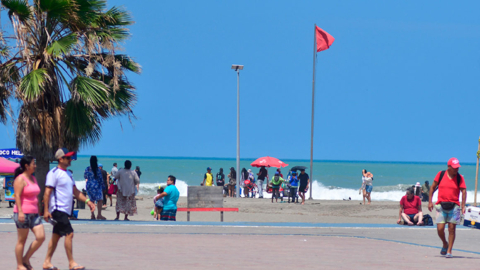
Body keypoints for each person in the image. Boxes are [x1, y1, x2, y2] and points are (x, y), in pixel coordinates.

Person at [43, 148, 95, 270]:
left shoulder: (68, 174)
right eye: (68, 157)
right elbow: (47, 192)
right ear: (60, 159)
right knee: (69, 233)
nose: (70, 159)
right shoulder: (53, 173)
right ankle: (71, 263)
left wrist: (88, 201)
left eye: (70, 157)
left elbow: (76, 192)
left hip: (65, 210)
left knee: (56, 236)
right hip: (57, 209)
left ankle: (46, 262)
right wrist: (46, 210)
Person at [428, 157, 467, 258]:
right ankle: (445, 243)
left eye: (457, 167)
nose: (456, 169)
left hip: (454, 206)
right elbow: (432, 187)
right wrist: (430, 202)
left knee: (452, 229)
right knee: (440, 229)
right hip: (441, 205)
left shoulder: (459, 178)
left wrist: (463, 206)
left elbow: (463, 191)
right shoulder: (440, 174)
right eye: (454, 167)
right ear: (449, 167)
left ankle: (449, 250)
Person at [13, 156, 45, 270]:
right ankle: (19, 265)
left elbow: (35, 195)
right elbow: (17, 195)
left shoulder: (33, 178)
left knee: (41, 237)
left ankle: (26, 258)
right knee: (22, 240)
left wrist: (39, 209)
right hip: (23, 213)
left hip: (34, 213)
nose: (35, 166)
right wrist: (20, 212)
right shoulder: (20, 179)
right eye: (33, 163)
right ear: (27, 166)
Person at [84, 156, 106, 220]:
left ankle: (92, 215)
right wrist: (104, 187)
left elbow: (85, 176)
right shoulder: (98, 170)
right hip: (97, 185)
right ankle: (99, 214)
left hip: (89, 185)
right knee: (100, 200)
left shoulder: (87, 169)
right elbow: (100, 179)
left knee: (91, 200)